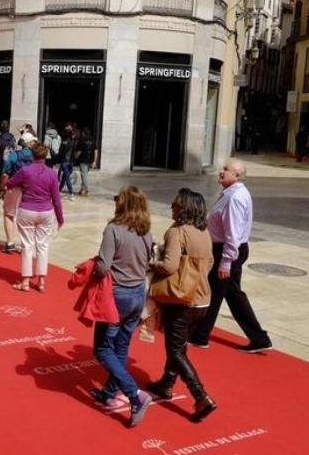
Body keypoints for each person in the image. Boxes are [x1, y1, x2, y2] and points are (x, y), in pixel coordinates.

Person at [146, 189, 218, 423]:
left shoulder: (177, 232)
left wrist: (152, 262)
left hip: (181, 299)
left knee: (175, 350)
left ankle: (200, 396)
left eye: (175, 203)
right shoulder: (204, 232)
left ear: (184, 208)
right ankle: (166, 383)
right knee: (180, 346)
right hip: (203, 299)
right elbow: (210, 263)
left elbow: (169, 266)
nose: (171, 206)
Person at [189, 158, 273, 353]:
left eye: (225, 170)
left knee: (215, 292)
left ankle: (201, 336)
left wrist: (226, 262)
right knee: (230, 293)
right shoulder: (233, 193)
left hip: (227, 251)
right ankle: (259, 338)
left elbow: (233, 234)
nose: (221, 172)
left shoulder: (235, 198)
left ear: (236, 176)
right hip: (228, 250)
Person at [89, 185, 154, 426]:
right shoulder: (146, 231)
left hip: (116, 294)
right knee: (121, 345)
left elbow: (103, 266)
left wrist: (94, 267)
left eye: (117, 199)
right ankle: (108, 392)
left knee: (103, 349)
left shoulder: (114, 229)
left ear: (123, 204)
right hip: (138, 292)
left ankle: (134, 393)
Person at [6, 142, 63, 292]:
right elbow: (56, 199)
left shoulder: (25, 171)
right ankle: (41, 281)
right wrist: (60, 218)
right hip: (45, 211)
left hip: (27, 210)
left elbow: (10, 183)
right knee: (43, 246)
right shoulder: (52, 173)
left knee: (27, 245)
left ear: (32, 155)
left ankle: (25, 282)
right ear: (46, 156)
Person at [0, 133, 35, 253]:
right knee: (26, 218)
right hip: (30, 189)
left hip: (14, 188)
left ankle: (10, 243)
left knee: (9, 214)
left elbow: (6, 173)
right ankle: (25, 246)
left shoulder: (14, 155)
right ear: (30, 143)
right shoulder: (35, 156)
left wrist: (2, 188)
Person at [73, 128, 96, 197]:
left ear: (83, 133)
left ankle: (86, 189)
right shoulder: (92, 141)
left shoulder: (82, 141)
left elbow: (79, 151)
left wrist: (75, 156)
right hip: (90, 160)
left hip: (83, 160)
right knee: (85, 174)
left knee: (84, 175)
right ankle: (82, 189)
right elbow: (96, 151)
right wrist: (94, 161)